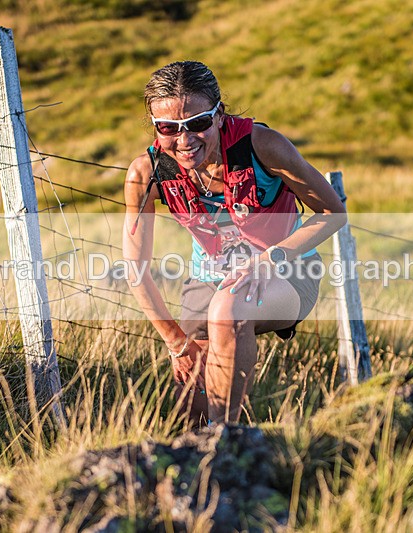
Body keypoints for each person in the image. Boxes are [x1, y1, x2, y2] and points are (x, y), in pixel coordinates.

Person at [122, 61, 346, 424]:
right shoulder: (147, 172)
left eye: (197, 123)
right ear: (155, 127)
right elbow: (135, 268)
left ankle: (226, 444)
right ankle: (204, 464)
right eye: (168, 128)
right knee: (191, 403)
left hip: (287, 272)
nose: (184, 140)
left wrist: (271, 258)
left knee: (228, 310)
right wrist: (175, 341)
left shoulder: (263, 146)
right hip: (206, 279)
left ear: (219, 115)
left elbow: (333, 212)